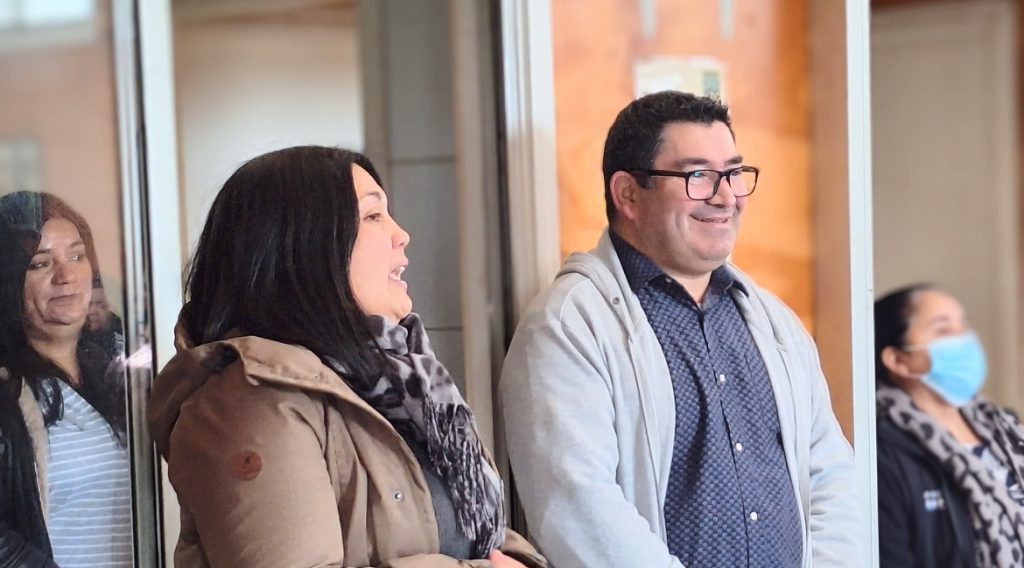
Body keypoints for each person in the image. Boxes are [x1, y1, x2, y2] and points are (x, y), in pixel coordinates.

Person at [499, 91, 862, 567]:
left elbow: (831, 475)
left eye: (733, 173)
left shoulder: (774, 323)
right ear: (628, 194)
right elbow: (578, 506)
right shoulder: (568, 327)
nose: (726, 197)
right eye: (698, 176)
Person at [147, 146, 547, 567]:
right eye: (373, 216)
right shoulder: (250, 399)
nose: (401, 234)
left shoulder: (402, 384)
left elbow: (485, 535)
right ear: (305, 247)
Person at [0, 191, 132, 567]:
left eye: (76, 256)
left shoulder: (122, 366)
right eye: (40, 264)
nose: (66, 276)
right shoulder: (7, 390)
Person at [875, 284, 1024, 567]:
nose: (964, 338)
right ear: (898, 360)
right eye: (943, 330)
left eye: (963, 325)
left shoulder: (1005, 428)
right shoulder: (886, 453)